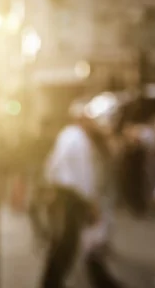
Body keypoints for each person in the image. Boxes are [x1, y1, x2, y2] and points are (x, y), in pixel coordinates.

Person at [40, 102, 121, 288]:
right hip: (72, 197)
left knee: (70, 243)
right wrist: (90, 202)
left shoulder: (68, 135)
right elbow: (82, 175)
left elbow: (53, 166)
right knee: (68, 243)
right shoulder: (77, 139)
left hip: (66, 195)